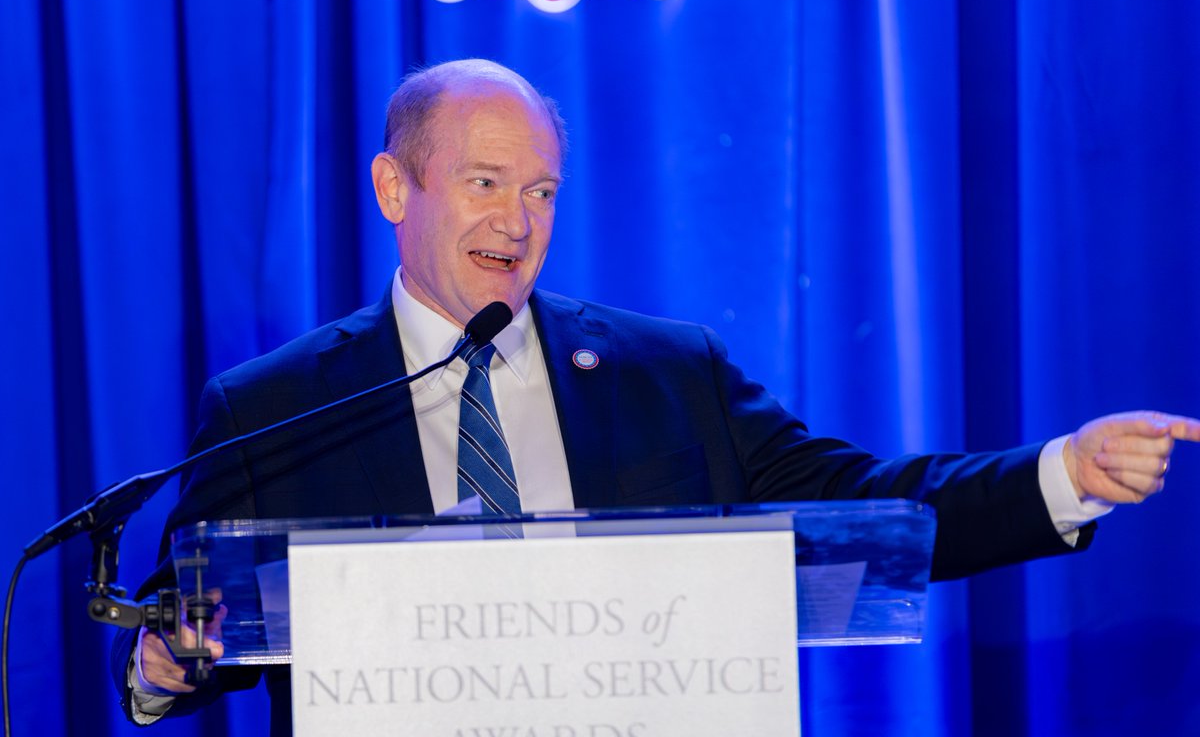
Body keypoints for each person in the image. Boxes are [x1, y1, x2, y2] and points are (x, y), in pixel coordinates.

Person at [113, 59, 1200, 734]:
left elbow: (866, 507)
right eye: (486, 183)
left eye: (541, 189)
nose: (519, 219)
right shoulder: (277, 403)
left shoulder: (669, 372)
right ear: (398, 188)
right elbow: (191, 622)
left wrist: (1061, 471)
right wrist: (166, 663)